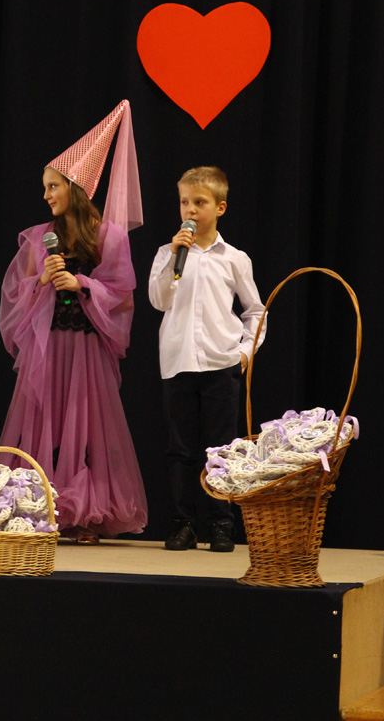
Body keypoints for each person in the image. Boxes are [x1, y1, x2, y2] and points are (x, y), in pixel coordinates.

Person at [0, 100, 148, 544]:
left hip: (85, 348)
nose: (46, 195)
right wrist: (43, 279)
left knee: (84, 430)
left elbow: (121, 293)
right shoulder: (39, 238)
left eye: (53, 186)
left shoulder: (108, 236)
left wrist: (81, 283)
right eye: (44, 188)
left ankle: (85, 513)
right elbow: (16, 295)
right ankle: (36, 508)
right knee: (42, 425)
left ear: (75, 187)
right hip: (48, 347)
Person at [148, 166, 265, 552]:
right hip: (178, 361)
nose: (191, 210)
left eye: (199, 202)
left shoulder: (234, 258)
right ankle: (183, 522)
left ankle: (220, 523)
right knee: (180, 449)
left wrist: (244, 352)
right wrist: (174, 256)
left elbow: (255, 311)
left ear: (220, 207)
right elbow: (158, 300)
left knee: (222, 446)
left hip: (221, 364)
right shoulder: (167, 253)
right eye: (185, 202)